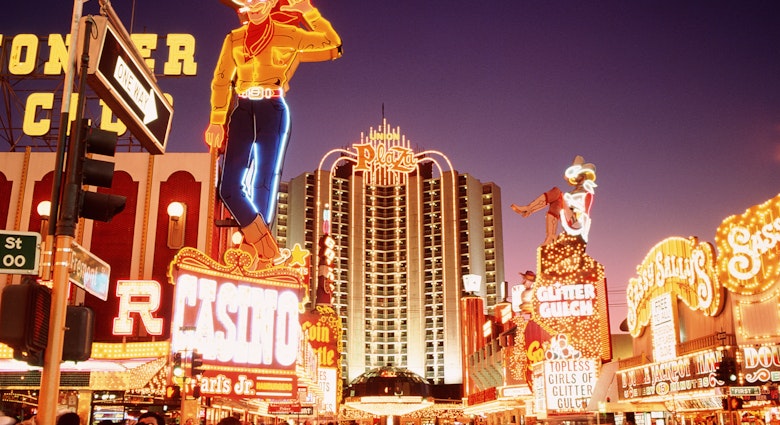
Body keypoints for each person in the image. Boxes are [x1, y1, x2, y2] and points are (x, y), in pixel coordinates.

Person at [205, 0, 342, 267]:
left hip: (273, 109)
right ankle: (268, 248)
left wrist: (307, 12)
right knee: (229, 187)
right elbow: (221, 79)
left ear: (271, 4)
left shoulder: (289, 34)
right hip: (242, 109)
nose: (254, 4)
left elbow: (333, 45)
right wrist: (216, 120)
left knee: (264, 182)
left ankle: (259, 255)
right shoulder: (234, 39)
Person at [511, 155, 597, 245]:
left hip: (576, 222)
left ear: (583, 175)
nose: (575, 176)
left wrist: (584, 235)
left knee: (557, 193)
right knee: (556, 201)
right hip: (568, 218)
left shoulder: (587, 193)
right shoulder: (571, 193)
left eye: (577, 174)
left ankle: (529, 209)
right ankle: (550, 236)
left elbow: (586, 213)